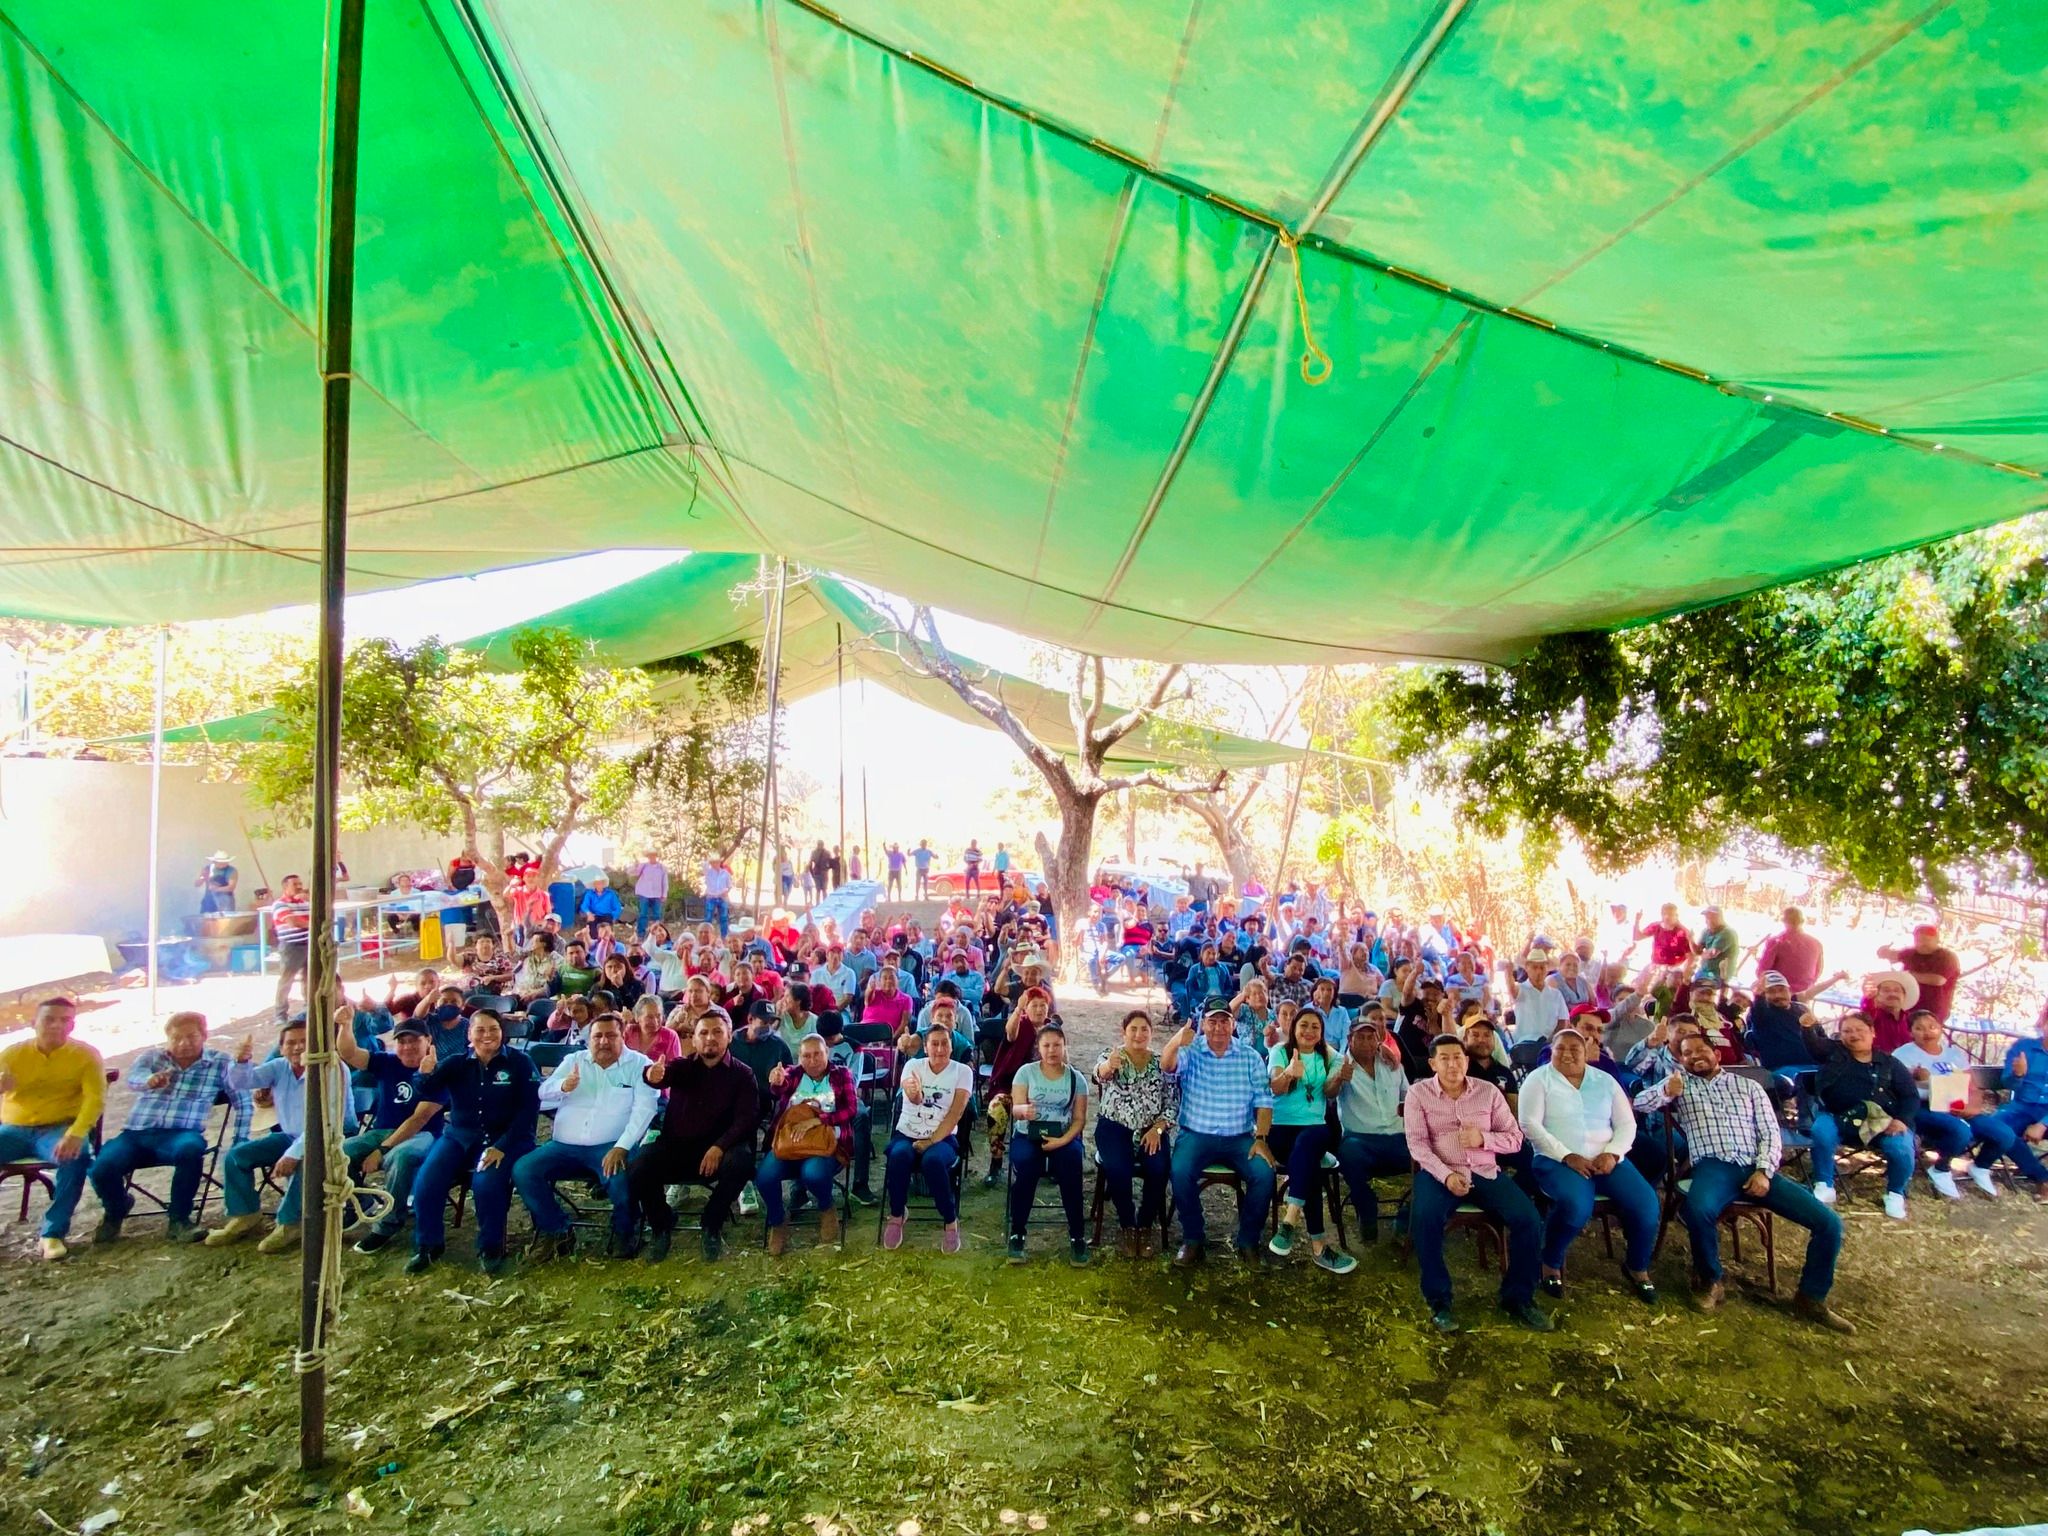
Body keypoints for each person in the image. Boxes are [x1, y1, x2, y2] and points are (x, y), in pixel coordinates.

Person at [1634, 1031, 1852, 1329]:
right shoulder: (1680, 1086)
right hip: (1713, 1166)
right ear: (1681, 1060)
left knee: (1829, 1223)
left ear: (1717, 1054)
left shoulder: (1748, 1086)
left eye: (1701, 1050)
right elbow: (1640, 1104)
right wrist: (1665, 1092)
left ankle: (1811, 1298)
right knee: (1697, 1210)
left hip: (1755, 1166)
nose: (1696, 1056)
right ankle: (1710, 1280)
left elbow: (1770, 1132)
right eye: (1687, 1053)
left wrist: (1764, 1170)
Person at [1405, 1034, 1549, 1333]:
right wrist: (1446, 1175)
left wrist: (1484, 1139)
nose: (1452, 1063)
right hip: (1439, 1173)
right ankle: (1439, 1300)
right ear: (1432, 1063)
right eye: (1444, 1058)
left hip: (1485, 1171)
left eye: (1457, 1057)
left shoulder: (1488, 1092)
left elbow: (1514, 1139)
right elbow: (1418, 1146)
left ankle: (1518, 1297)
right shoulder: (1418, 1094)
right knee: (1424, 1217)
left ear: (1466, 1061)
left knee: (1528, 1219)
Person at [377, 1010, 540, 1274]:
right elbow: (426, 1090)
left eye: (493, 1029)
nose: (487, 1035)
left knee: (485, 1184)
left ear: (502, 1032)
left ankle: (490, 1247)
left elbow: (529, 1111)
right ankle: (428, 1245)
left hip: (504, 1139)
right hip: (459, 1135)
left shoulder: (521, 1063)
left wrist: (502, 1146)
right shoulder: (456, 1063)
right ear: (469, 1034)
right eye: (480, 1030)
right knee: (427, 1182)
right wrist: (423, 1074)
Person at [1517, 1027, 1657, 1302]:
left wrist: (1614, 1154)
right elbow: (1529, 1124)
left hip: (1607, 1159)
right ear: (1551, 1052)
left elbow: (1627, 1124)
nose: (1567, 1054)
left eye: (1575, 1049)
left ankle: (1637, 1266)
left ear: (1586, 1053)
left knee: (1647, 1205)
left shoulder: (1604, 1080)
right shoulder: (1538, 1080)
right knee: (1576, 1207)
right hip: (1557, 1159)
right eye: (1560, 1049)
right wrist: (1567, 1155)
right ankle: (1550, 1262)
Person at [90, 1011, 248, 1244]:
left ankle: (180, 1219)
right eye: (176, 1038)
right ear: (168, 1038)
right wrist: (149, 1081)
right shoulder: (153, 1058)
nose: (184, 1044)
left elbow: (243, 1100)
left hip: (181, 1134)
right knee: (99, 1167)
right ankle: (117, 1208)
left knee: (190, 1149)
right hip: (137, 1133)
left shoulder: (220, 1063)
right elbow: (134, 1078)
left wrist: (240, 1138)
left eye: (191, 1037)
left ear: (204, 1035)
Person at [507, 1015, 656, 1261]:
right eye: (598, 1036)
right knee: (523, 1169)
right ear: (589, 1040)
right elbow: (542, 1094)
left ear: (623, 1037)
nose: (604, 1041)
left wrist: (622, 1147)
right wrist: (563, 1086)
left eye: (611, 1035)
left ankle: (624, 1229)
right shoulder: (574, 1061)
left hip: (611, 1146)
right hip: (564, 1145)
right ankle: (557, 1229)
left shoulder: (640, 1065)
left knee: (620, 1178)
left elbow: (645, 1110)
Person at [630, 1009, 759, 1260]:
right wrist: (651, 1075)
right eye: (703, 1033)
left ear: (729, 1036)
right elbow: (661, 1076)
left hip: (718, 1153)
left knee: (742, 1162)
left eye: (717, 1032)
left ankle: (711, 1222)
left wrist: (719, 1146)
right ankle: (661, 1223)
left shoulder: (743, 1074)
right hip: (678, 1149)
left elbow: (747, 1119)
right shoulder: (682, 1066)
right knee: (639, 1166)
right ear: (695, 1039)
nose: (710, 1038)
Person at [1162, 1000, 1277, 1266]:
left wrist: (1260, 1138)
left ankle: (1248, 1241)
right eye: (1212, 1021)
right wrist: (1177, 1040)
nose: (1218, 1028)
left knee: (1264, 1173)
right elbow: (1167, 1066)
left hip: (1240, 1138)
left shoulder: (1249, 1056)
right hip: (1196, 1134)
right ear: (1203, 1025)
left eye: (1224, 1021)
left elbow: (1264, 1100)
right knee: (1179, 1171)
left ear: (1233, 1024)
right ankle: (1193, 1239)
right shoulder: (1191, 1051)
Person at [0, 996, 105, 1260]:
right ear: (34, 1022)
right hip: (14, 1129)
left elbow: (95, 1100)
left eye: (65, 1020)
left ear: (72, 1026)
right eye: (49, 1019)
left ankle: (52, 1233)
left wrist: (77, 1133)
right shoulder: (12, 1054)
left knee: (76, 1155)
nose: (57, 1025)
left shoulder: (85, 1055)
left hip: (58, 1129)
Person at [206, 1021, 322, 1253]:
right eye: (291, 1043)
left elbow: (325, 1123)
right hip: (289, 1135)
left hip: (325, 1138)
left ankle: (291, 1223)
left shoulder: (329, 1069)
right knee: (237, 1156)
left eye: (304, 1041)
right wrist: (241, 1061)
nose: (298, 1047)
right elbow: (240, 1082)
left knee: (304, 1162)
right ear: (281, 1049)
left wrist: (292, 1154)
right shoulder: (279, 1066)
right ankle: (245, 1214)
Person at [341, 1019, 446, 1255]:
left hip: (424, 1134)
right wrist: (346, 1024)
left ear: (428, 1041)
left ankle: (387, 1224)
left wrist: (382, 1150)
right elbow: (348, 1052)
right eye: (402, 1041)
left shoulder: (439, 1072)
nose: (407, 1047)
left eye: (414, 1041)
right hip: (382, 1130)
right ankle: (360, 1201)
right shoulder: (386, 1062)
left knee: (403, 1156)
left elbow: (418, 1120)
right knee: (339, 1153)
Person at [1264, 1007, 1356, 1274]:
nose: (1309, 1031)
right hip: (1280, 1130)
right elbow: (1275, 1088)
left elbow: (1329, 1093)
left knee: (1312, 1140)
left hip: (1314, 1130)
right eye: (1303, 1025)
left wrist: (1339, 1077)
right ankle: (1319, 1248)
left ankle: (1290, 1220)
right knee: (1310, 1166)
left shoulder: (1328, 1055)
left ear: (1321, 1032)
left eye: (1315, 1027)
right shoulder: (1280, 1051)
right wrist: (1290, 1073)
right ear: (1293, 1027)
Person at [1808, 1011, 1920, 1219]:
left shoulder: (1890, 1063)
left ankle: (1895, 1193)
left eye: (1860, 1030)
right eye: (1847, 1031)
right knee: (1821, 1131)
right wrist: (1807, 1026)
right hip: (1838, 1117)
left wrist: (1902, 1120)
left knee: (1901, 1148)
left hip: (1882, 1122)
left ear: (1872, 1032)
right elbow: (1814, 1044)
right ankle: (1824, 1184)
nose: (1854, 1035)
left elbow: (1910, 1096)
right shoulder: (1833, 1054)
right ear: (1840, 1035)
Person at [758, 1034, 858, 1253]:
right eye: (806, 1056)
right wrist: (776, 1081)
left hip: (826, 1143)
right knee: (764, 1177)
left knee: (812, 1173)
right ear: (799, 1057)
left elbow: (851, 1110)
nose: (812, 1061)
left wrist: (818, 1120)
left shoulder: (841, 1075)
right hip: (789, 1144)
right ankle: (777, 1221)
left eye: (817, 1054)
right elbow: (780, 1088)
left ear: (827, 1053)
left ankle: (826, 1208)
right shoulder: (794, 1074)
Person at [1895, 1010, 2007, 1200]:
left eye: (1932, 1026)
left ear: (1940, 1029)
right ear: (1911, 1031)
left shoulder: (1953, 1055)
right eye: (1919, 1028)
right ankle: (1941, 1168)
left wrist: (1972, 1107)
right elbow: (1897, 1087)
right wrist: (1914, 1077)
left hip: (1956, 1104)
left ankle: (1980, 1166)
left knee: (2003, 1134)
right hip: (1923, 1106)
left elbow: (1972, 1085)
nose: (1927, 1032)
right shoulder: (1903, 1054)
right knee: (1960, 1131)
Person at [1091, 1010, 1177, 1258]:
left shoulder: (1161, 1063)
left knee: (1159, 1168)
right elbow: (1099, 1074)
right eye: (1133, 1029)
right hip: (1114, 1127)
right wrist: (1108, 1067)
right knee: (1118, 1168)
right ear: (1124, 1032)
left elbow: (1171, 1105)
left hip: (1150, 1130)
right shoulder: (1113, 1055)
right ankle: (1128, 1225)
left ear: (1152, 1033)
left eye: (1144, 1029)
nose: (1139, 1034)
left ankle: (1145, 1226)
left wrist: (1157, 1128)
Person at [882, 1019, 972, 1253]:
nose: (940, 1049)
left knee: (933, 1161)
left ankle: (950, 1220)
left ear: (951, 1047)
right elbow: (912, 1093)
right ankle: (897, 1214)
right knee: (899, 1155)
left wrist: (931, 1141)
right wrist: (914, 1094)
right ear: (926, 1046)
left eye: (944, 1044)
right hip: (907, 1133)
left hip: (942, 1137)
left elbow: (955, 1113)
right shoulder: (913, 1065)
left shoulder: (962, 1072)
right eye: (934, 1044)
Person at [1005, 1025, 1090, 1265]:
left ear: (1065, 1047)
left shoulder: (1076, 1079)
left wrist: (1063, 1140)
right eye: (1047, 1045)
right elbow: (1016, 1109)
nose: (1052, 1050)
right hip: (1028, 1135)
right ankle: (1018, 1232)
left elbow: (1079, 1120)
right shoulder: (1026, 1073)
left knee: (1071, 1166)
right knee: (1026, 1166)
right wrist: (1024, 1111)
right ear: (1038, 1048)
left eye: (1057, 1045)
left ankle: (1077, 1236)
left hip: (1062, 1137)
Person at [1331, 1011, 1410, 1244]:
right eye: (1360, 1037)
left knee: (1431, 1158)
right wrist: (1338, 1079)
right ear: (1349, 1039)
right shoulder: (1339, 1063)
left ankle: (1407, 1219)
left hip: (1398, 1136)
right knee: (1348, 1153)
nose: (1366, 1042)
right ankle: (1367, 1210)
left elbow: (1408, 1096)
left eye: (1370, 1037)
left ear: (1378, 1040)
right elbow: (1328, 1094)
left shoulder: (1392, 1063)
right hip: (1361, 1139)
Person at [1995, 1004, 2048, 1201]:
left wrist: (2042, 1124)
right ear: (2043, 1023)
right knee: (1998, 1129)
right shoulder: (2023, 1048)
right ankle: (2042, 1177)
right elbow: (2007, 1082)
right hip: (2022, 1107)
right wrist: (2018, 1074)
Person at [1876, 924, 1965, 1024]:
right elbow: (1892, 955)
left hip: (1932, 1011)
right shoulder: (1911, 953)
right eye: (1918, 940)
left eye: (1927, 940)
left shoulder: (1946, 957)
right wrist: (1884, 952)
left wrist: (1907, 976)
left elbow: (1938, 980)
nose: (1922, 944)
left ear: (1936, 940)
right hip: (1908, 1008)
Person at [268, 874, 311, 1023]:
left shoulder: (304, 903)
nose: (299, 886)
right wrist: (313, 923)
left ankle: (308, 1009)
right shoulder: (279, 904)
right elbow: (293, 922)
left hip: (309, 945)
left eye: (300, 883)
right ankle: (280, 1014)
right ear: (285, 887)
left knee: (309, 979)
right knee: (287, 981)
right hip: (292, 947)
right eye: (295, 884)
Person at [1755, 907, 1824, 996]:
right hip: (1805, 994)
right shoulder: (1816, 943)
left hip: (1779, 995)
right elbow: (1818, 971)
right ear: (1802, 921)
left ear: (1784, 921)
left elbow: (1762, 971)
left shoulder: (1777, 941)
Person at [1694, 906, 1738, 990]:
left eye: (1713, 917)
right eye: (1707, 917)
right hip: (1704, 971)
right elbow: (1697, 951)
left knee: (1703, 990)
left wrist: (1700, 954)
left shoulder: (1727, 933)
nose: (1709, 920)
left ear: (1720, 917)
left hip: (1719, 975)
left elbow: (1711, 954)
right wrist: (1690, 939)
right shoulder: (1706, 931)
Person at [631, 853, 669, 937]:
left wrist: (664, 894)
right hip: (644, 893)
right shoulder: (643, 866)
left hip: (657, 894)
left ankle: (657, 934)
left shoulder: (662, 868)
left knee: (657, 915)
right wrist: (635, 865)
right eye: (650, 856)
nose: (652, 857)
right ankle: (641, 933)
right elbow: (634, 873)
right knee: (643, 914)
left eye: (654, 856)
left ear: (656, 857)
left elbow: (665, 881)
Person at [702, 855, 733, 937]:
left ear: (720, 862)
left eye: (717, 862)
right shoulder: (708, 872)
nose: (715, 864)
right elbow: (704, 864)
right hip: (711, 897)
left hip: (722, 897)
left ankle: (724, 936)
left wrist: (727, 891)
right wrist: (709, 860)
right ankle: (706, 936)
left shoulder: (725, 873)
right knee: (708, 918)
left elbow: (730, 885)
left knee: (724, 918)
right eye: (713, 862)